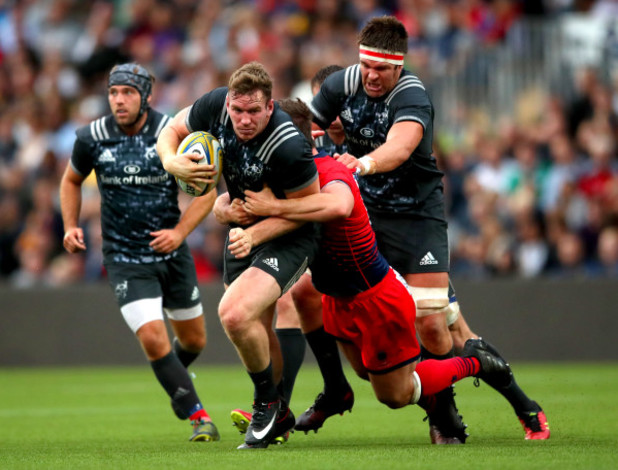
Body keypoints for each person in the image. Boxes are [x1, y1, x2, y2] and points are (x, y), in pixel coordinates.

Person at [309, 16, 550, 442]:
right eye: (366, 65)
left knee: (438, 328)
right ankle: (335, 390)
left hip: (419, 220)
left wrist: (359, 162)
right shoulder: (340, 85)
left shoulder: (412, 95)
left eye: (381, 68)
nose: (371, 75)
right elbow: (303, 135)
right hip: (368, 221)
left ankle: (469, 412)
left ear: (399, 66)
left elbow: (400, 147)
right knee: (367, 362)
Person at [241, 98, 512, 439]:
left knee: (394, 396)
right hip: (338, 299)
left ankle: (473, 362)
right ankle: (421, 399)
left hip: (374, 298)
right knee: (367, 373)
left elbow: (339, 204)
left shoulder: (328, 171)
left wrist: (272, 206)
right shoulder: (287, 177)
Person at [156, 62, 321, 449]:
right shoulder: (215, 106)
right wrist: (170, 160)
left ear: (269, 108)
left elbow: (311, 208)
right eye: (238, 110)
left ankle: (266, 403)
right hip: (244, 229)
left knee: (233, 313)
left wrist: (258, 229)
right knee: (256, 329)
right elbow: (171, 129)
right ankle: (277, 407)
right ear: (228, 102)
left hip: (289, 234)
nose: (244, 120)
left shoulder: (287, 144)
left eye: (253, 112)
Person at [60, 63, 220, 443]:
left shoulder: (173, 134)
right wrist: (70, 225)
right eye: (114, 93)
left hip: (171, 253)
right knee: (152, 337)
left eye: (128, 93)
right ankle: (198, 415)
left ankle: (174, 380)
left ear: (145, 96)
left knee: (195, 340)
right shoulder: (92, 136)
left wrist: (180, 232)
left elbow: (209, 190)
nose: (119, 100)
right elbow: (70, 180)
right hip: (123, 257)